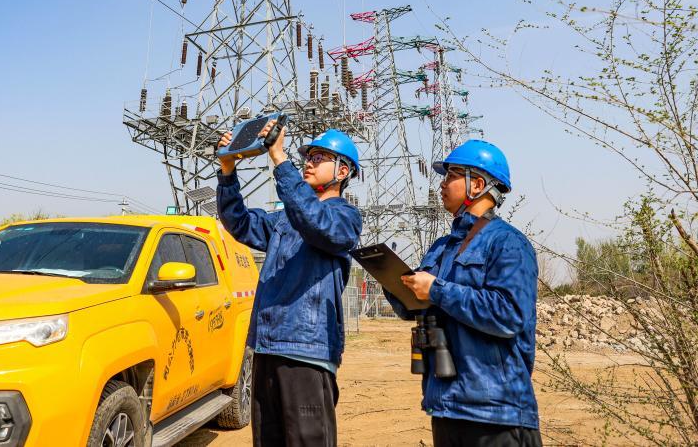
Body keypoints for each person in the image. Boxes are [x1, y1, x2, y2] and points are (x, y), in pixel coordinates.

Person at [385, 140, 541, 447]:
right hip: (446, 407)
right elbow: (413, 308)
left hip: (497, 414)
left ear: (477, 184)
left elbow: (508, 315)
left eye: (451, 175)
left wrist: (437, 290)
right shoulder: (441, 248)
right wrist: (392, 282)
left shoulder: (508, 243)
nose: (442, 184)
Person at [216, 122, 362, 446]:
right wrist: (227, 171)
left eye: (319, 156)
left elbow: (314, 222)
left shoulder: (345, 218)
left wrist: (280, 159)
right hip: (267, 347)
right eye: (307, 155)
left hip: (306, 354)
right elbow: (238, 222)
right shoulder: (284, 219)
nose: (308, 161)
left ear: (343, 170)